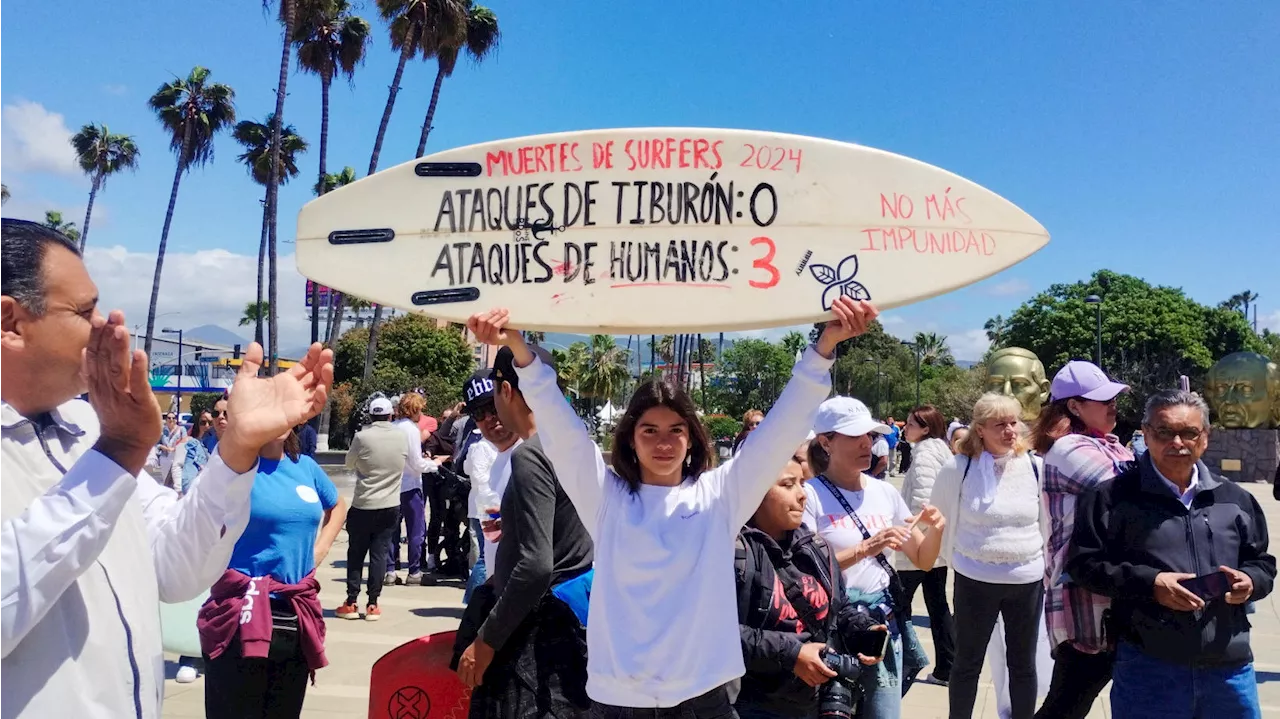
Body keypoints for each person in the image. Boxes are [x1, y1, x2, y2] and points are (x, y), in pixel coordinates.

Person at [465, 298, 874, 718]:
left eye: (676, 430)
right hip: (617, 702)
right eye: (649, 430)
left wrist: (824, 347)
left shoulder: (720, 495)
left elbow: (781, 428)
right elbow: (559, 427)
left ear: (693, 438)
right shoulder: (605, 498)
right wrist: (516, 346)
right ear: (630, 439)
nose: (664, 443)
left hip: (704, 700)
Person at [0, 217, 334, 718]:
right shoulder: (108, 440)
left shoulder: (87, 426)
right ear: (10, 322)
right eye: (84, 310)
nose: (105, 326)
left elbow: (176, 568)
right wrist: (118, 452)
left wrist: (237, 448)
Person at [1068, 390, 1276, 719]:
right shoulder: (1112, 498)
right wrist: (1152, 584)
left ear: (1205, 437)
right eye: (1165, 432)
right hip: (1149, 668)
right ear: (1146, 434)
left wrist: (1250, 581)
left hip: (1229, 669)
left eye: (1189, 432)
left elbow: (1263, 563)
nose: (1177, 442)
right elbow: (1084, 565)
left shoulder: (1236, 499)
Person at [454, 345, 595, 719]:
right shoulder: (575, 446)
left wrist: (486, 641)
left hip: (534, 635)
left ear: (506, 391)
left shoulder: (529, 455)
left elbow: (536, 566)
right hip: (573, 626)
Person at [804, 397, 946, 719]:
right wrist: (867, 548)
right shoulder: (810, 495)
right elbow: (803, 571)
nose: (867, 443)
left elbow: (923, 559)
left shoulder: (885, 493)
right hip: (832, 628)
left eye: (869, 435)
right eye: (855, 437)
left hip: (880, 628)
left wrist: (937, 528)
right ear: (826, 442)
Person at [198, 427, 347, 718]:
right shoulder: (234, 471)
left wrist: (322, 548)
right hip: (241, 612)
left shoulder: (305, 467)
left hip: (295, 612)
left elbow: (338, 505)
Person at [733, 455, 884, 719]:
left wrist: (862, 628)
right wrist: (793, 654)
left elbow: (838, 608)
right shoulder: (735, 554)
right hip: (754, 704)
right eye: (788, 485)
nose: (802, 494)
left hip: (813, 702)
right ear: (754, 492)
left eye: (802, 482)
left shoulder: (815, 547)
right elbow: (718, 634)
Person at [931, 394, 1046, 719]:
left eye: (1014, 422)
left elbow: (1045, 523)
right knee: (968, 662)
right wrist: (956, 560)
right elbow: (939, 519)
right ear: (980, 429)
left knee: (1022, 663)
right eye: (1000, 425)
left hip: (1026, 580)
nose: (1010, 430)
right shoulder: (958, 467)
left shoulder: (1035, 466)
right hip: (974, 580)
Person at [1030, 361, 1134, 719]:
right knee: (1068, 703)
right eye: (1102, 399)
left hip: (1112, 592)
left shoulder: (1111, 445)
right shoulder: (1069, 448)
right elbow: (1126, 490)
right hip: (1085, 599)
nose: (1113, 405)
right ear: (1074, 406)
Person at [895, 405, 956, 687]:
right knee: (937, 605)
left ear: (926, 428)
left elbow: (924, 500)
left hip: (921, 547)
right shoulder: (941, 449)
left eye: (910, 424)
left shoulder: (924, 453)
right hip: (936, 545)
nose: (905, 428)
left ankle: (899, 660)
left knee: (898, 605)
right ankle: (947, 667)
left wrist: (916, 541)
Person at [340, 397, 415, 620]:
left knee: (355, 554)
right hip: (390, 504)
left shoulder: (362, 437)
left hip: (364, 503)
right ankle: (373, 603)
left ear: (371, 416)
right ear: (391, 415)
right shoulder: (401, 436)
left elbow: (348, 463)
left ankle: (352, 601)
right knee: (379, 554)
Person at [460, 369, 519, 604]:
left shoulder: (532, 457)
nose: (489, 418)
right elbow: (496, 538)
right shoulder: (496, 464)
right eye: (479, 412)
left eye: (493, 408)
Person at [388, 393, 440, 585]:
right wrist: (434, 464)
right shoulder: (411, 430)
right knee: (416, 529)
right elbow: (416, 463)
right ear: (415, 410)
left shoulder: (392, 427)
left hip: (393, 485)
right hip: (410, 484)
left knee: (392, 529)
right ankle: (414, 571)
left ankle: (390, 570)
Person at [181, 411, 214, 494]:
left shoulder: (222, 445)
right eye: (203, 422)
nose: (207, 426)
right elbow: (187, 479)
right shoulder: (193, 445)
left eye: (210, 423)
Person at [158, 411, 188, 488]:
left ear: (176, 420)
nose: (171, 419)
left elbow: (185, 440)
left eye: (173, 418)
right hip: (165, 458)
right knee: (166, 481)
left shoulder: (181, 429)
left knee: (177, 480)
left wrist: (174, 448)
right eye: (169, 418)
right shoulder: (162, 431)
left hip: (176, 457)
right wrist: (164, 448)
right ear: (166, 420)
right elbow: (157, 444)